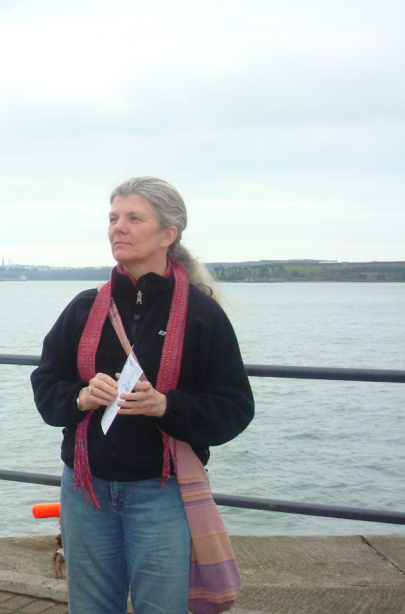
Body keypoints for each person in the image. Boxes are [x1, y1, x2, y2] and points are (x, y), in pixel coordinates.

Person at [30, 177, 253, 614]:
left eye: (134, 218)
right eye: (113, 218)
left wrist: (166, 406)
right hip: (85, 488)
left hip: (161, 492)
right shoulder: (83, 307)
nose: (118, 228)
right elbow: (45, 384)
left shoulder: (202, 315)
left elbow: (235, 407)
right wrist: (81, 396)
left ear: (168, 234)